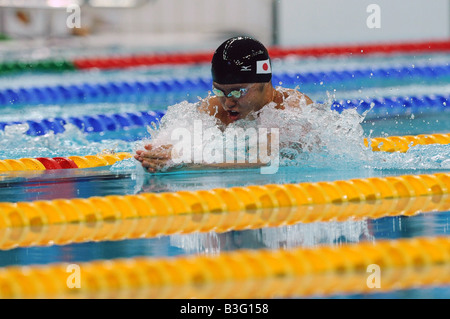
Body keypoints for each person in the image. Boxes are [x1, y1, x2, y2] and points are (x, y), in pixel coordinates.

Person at [135, 36, 313, 173]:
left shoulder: (291, 109)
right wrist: (161, 154)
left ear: (264, 83)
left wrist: (186, 162)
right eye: (219, 91)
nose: (228, 102)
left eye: (238, 92)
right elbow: (179, 141)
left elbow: (264, 158)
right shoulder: (213, 110)